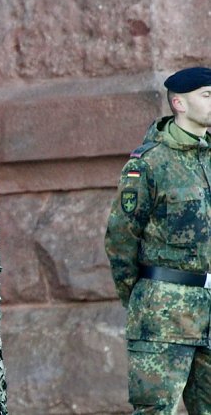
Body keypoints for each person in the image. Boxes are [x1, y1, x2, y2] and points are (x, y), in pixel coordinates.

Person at [105, 66, 211, 414]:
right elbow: (121, 239)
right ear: (179, 102)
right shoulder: (149, 164)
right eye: (207, 96)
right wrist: (139, 298)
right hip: (163, 313)